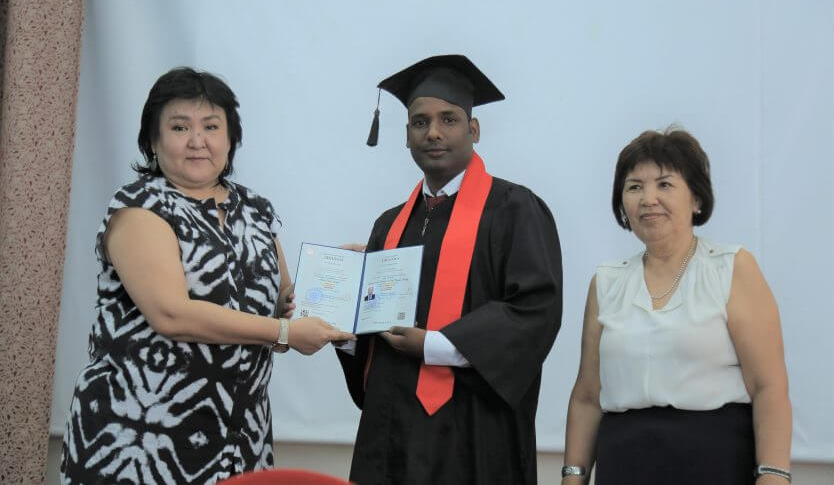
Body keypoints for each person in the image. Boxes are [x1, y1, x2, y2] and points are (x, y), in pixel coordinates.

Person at [60, 67, 354, 484]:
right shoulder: (139, 208)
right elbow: (172, 315)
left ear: (230, 138)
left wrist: (342, 276)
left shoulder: (255, 211)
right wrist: (286, 332)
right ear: (153, 140)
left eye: (211, 127)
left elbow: (284, 302)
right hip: (139, 437)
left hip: (240, 436)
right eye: (180, 127)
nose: (197, 141)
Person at [337, 54, 563, 484]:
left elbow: (535, 312)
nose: (433, 132)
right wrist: (343, 326)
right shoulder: (389, 226)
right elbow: (373, 338)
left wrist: (434, 345)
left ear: (473, 129)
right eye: (420, 123)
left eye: (449, 119)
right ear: (407, 136)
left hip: (476, 435)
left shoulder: (514, 210)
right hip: (393, 436)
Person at [562, 128, 792, 485]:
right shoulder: (607, 282)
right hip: (623, 465)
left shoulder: (732, 268)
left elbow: (768, 386)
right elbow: (588, 397)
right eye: (634, 186)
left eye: (664, 184)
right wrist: (573, 477)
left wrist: (774, 476)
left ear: (696, 198)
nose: (648, 198)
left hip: (715, 465)